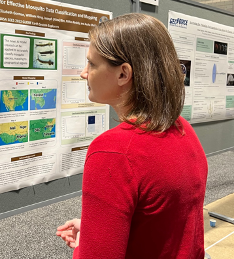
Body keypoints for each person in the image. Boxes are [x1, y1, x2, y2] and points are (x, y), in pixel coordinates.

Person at [56, 14, 208, 259]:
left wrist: (87, 248)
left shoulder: (113, 151)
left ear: (123, 74)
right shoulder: (182, 129)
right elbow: (166, 225)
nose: (84, 73)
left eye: (92, 64)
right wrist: (99, 232)